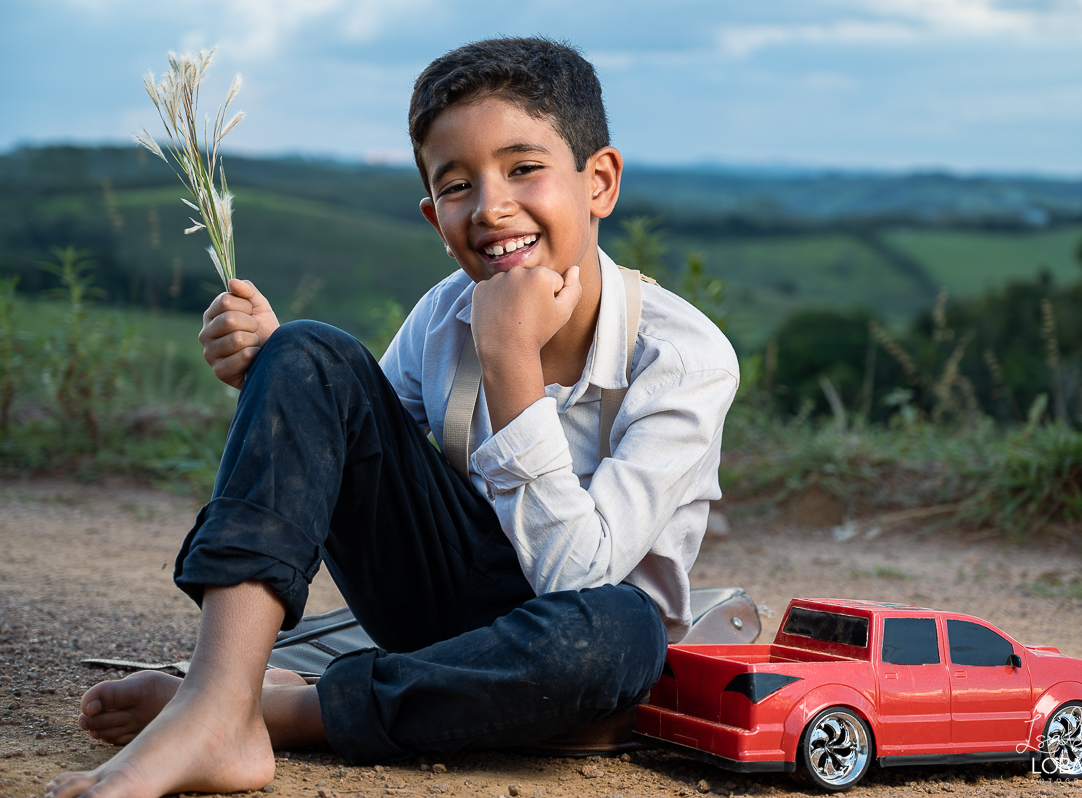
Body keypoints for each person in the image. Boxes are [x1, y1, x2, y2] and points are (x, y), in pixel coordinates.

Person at [48, 36, 738, 798]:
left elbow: (574, 579)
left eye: (523, 168)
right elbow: (361, 464)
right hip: (441, 613)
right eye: (455, 185)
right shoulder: (439, 318)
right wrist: (284, 379)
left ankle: (280, 711)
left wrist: (509, 361)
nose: (491, 206)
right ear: (431, 214)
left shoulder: (684, 358)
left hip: (575, 652)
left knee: (620, 634)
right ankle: (214, 706)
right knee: (311, 352)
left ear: (599, 180)